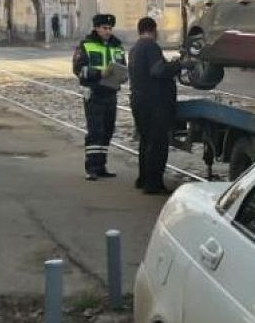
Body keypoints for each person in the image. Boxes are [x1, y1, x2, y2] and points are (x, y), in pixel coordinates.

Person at [128, 16, 183, 195]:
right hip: (154, 104)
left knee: (145, 141)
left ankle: (143, 179)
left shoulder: (135, 48)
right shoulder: (151, 46)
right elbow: (157, 70)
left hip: (139, 101)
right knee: (157, 143)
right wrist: (177, 65)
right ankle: (153, 184)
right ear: (153, 30)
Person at [72, 14, 125, 181]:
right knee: (96, 131)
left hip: (111, 92)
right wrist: (99, 73)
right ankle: (92, 168)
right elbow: (78, 68)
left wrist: (123, 76)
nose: (108, 31)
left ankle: (102, 166)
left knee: (107, 131)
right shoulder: (86, 45)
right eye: (104, 28)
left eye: (110, 28)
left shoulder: (117, 46)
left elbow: (123, 66)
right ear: (96, 28)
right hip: (94, 93)